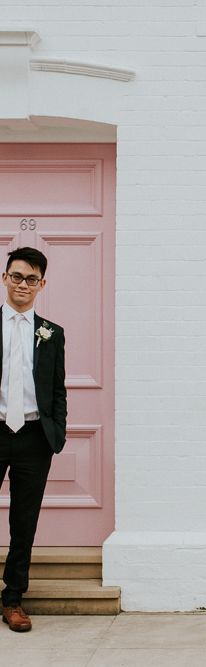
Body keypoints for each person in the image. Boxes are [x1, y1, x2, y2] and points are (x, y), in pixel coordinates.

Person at [0, 247, 66, 632]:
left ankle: (13, 600)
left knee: (24, 521)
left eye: (31, 278)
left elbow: (58, 389)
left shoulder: (51, 334)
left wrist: (55, 431)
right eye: (16, 276)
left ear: (41, 284)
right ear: (5, 278)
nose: (22, 284)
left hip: (33, 437)